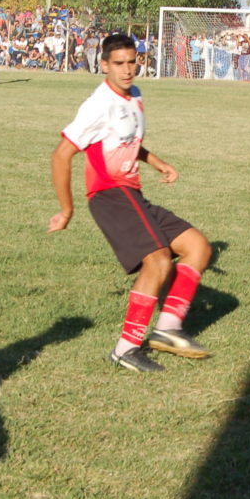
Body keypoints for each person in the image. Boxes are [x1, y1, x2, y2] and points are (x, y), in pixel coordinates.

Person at [48, 34, 213, 372]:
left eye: (132, 61)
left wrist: (156, 162)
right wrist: (67, 210)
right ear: (104, 65)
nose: (127, 70)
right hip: (109, 195)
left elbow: (125, 140)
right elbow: (61, 154)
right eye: (119, 64)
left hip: (131, 193)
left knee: (198, 247)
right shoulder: (98, 104)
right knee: (158, 261)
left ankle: (167, 330)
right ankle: (126, 348)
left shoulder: (135, 95)